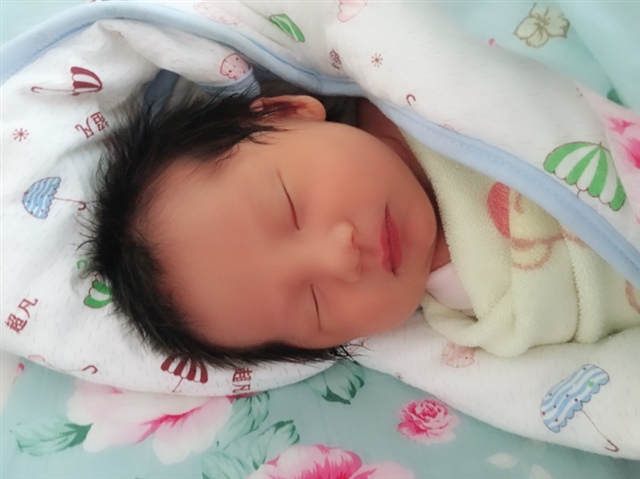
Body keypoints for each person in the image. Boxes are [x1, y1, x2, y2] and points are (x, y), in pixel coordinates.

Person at [87, 87, 640, 369]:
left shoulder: (400, 76)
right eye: (315, 305)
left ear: (285, 112)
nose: (340, 258)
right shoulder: (489, 310)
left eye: (291, 208)